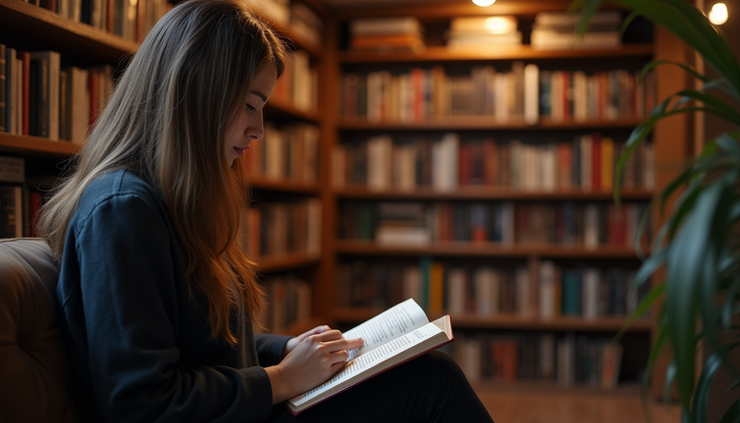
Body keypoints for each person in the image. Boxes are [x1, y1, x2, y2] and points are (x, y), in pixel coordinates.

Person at [37, 0, 495, 421]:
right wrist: (283, 378)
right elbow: (142, 402)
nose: (258, 129)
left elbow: (206, 348)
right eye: (250, 105)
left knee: (429, 376)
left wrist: (289, 349)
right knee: (433, 382)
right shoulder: (123, 210)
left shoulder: (169, 201)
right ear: (199, 93)